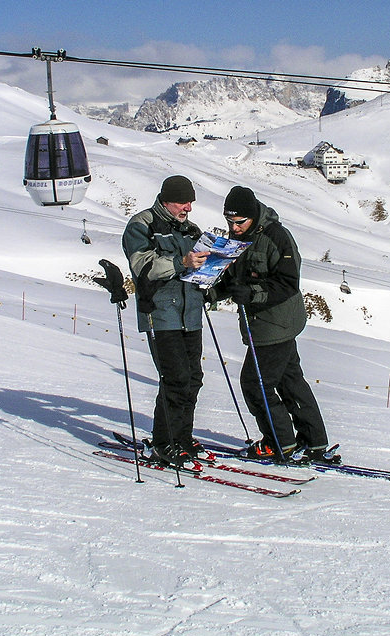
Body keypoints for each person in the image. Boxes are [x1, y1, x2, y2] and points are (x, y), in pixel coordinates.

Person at [214, 186, 340, 465]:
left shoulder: (275, 237)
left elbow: (288, 282)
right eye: (229, 222)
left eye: (239, 222)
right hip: (263, 324)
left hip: (274, 323)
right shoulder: (240, 238)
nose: (234, 228)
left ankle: (279, 443)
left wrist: (253, 293)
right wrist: (209, 291)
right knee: (289, 380)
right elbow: (232, 279)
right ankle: (314, 441)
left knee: (255, 384)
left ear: (253, 215)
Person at [122, 175, 209, 468]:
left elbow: (197, 267)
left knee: (193, 379)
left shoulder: (191, 230)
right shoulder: (142, 225)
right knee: (175, 380)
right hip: (160, 314)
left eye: (191, 202)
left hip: (190, 314)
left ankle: (182, 439)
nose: (188, 208)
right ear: (167, 199)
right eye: (184, 202)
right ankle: (163, 443)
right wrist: (181, 262)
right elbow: (142, 265)